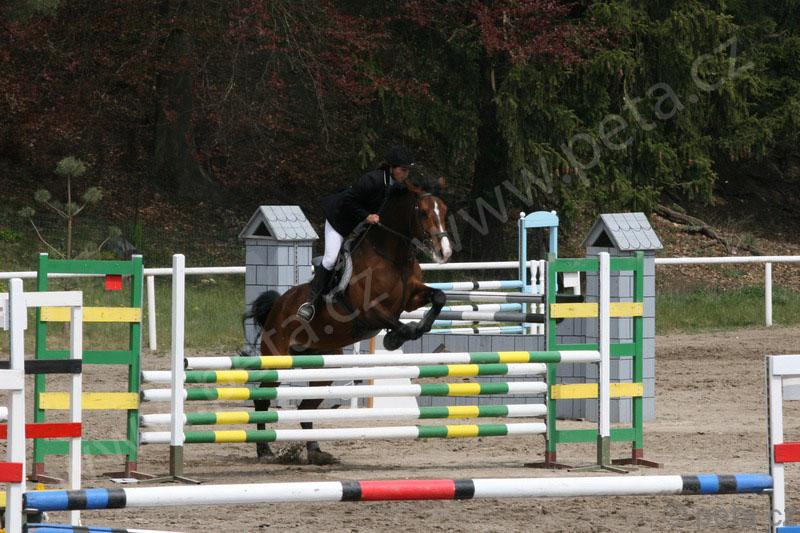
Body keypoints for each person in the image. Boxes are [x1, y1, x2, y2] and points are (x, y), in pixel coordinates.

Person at [296, 145, 414, 322]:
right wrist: (367, 216)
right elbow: (348, 201)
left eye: (407, 171)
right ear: (391, 168)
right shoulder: (372, 180)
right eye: (403, 170)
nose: (405, 174)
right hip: (340, 221)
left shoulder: (396, 184)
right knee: (330, 259)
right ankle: (310, 302)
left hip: (359, 225)